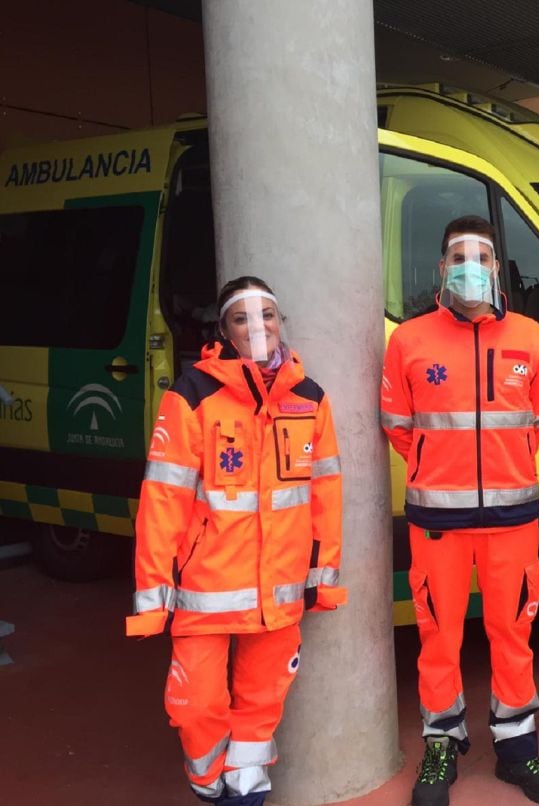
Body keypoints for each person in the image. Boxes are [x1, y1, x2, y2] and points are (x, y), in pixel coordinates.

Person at [126, 276, 346, 806]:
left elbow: (325, 496)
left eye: (267, 315)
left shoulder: (310, 399)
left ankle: (247, 793)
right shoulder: (192, 396)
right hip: (206, 590)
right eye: (242, 318)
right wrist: (153, 599)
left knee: (262, 703)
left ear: (281, 321)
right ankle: (207, 785)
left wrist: (324, 579)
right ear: (222, 330)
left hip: (280, 592)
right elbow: (163, 501)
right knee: (196, 705)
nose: (257, 327)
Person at [381, 215, 539, 806]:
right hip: (438, 523)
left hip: (513, 521)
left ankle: (517, 750)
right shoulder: (408, 341)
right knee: (438, 637)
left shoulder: (532, 340)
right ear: (442, 270)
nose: (471, 265)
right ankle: (441, 745)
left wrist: (500, 468)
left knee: (513, 634)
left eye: (481, 256)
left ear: (496, 268)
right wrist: (446, 469)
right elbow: (399, 427)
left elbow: (534, 425)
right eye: (458, 256)